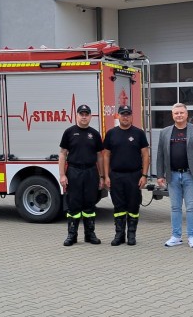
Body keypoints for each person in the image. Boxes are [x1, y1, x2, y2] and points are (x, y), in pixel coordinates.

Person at [156, 103, 193, 248]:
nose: (179, 115)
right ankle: (176, 236)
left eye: (181, 113)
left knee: (191, 207)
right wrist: (159, 175)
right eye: (176, 113)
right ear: (172, 115)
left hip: (190, 175)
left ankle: (192, 237)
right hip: (172, 176)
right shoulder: (165, 132)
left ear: (187, 114)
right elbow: (160, 155)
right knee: (175, 208)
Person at [102, 105, 150, 246]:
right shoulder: (111, 133)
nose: (125, 117)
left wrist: (144, 175)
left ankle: (131, 235)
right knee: (118, 206)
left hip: (134, 176)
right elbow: (106, 156)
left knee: (133, 206)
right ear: (118, 116)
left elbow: (145, 155)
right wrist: (106, 176)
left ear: (131, 116)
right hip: (116, 176)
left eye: (128, 114)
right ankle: (119, 235)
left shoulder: (138, 133)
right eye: (123, 114)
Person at [58, 104, 104, 246]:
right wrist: (62, 175)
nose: (84, 116)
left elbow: (100, 156)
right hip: (74, 171)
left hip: (91, 172)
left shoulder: (95, 134)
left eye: (86, 114)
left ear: (90, 116)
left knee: (90, 204)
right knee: (74, 204)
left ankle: (90, 235)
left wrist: (101, 176)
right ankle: (72, 235)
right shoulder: (69, 132)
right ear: (76, 115)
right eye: (81, 114)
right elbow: (62, 154)